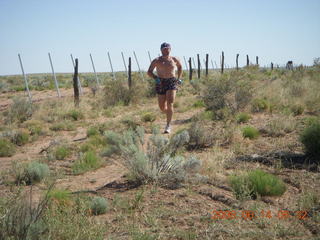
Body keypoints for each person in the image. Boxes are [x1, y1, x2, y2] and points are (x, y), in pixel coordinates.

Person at [147, 42, 183, 134]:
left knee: (170, 103)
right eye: (164, 49)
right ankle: (169, 113)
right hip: (161, 82)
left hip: (171, 81)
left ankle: (168, 125)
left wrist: (179, 78)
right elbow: (149, 72)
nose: (166, 51)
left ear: (170, 50)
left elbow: (180, 67)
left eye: (167, 49)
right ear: (161, 50)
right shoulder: (156, 60)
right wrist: (156, 78)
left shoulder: (174, 59)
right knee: (162, 107)